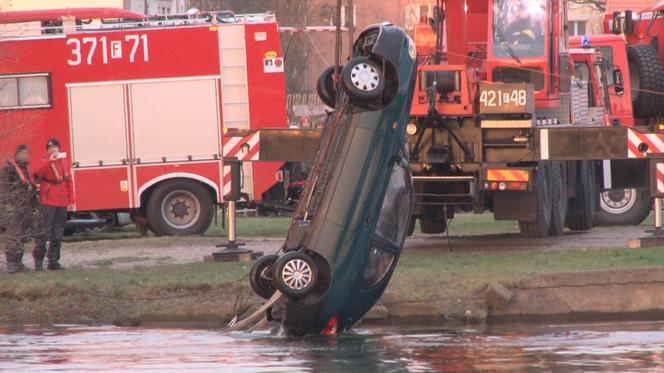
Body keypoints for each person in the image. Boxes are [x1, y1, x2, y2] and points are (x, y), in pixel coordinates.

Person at [32, 138, 75, 271]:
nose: (53, 149)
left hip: (61, 201)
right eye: (50, 147)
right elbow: (38, 172)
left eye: (55, 147)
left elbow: (69, 181)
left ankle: (53, 261)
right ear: (48, 150)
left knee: (58, 233)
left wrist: (71, 200)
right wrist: (50, 160)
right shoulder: (45, 161)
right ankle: (38, 263)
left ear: (59, 148)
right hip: (48, 201)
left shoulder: (64, 162)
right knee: (44, 233)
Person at [1, 145, 38, 274]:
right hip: (15, 207)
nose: (25, 156)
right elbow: (4, 188)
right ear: (17, 154)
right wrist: (8, 205)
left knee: (22, 236)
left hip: (25, 207)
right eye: (23, 153)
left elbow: (31, 188)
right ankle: (11, 263)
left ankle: (18, 262)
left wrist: (34, 206)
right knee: (13, 235)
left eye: (27, 154)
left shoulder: (26, 168)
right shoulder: (9, 169)